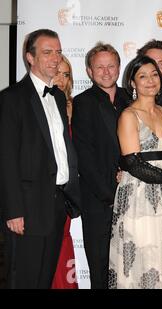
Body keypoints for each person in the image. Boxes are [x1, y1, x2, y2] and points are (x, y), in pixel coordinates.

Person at [0, 29, 81, 288]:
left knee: (44, 279)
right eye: (47, 52)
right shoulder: (12, 98)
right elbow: (6, 158)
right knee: (23, 279)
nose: (55, 58)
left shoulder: (57, 97)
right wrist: (14, 211)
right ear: (30, 58)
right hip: (26, 209)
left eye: (58, 52)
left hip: (57, 205)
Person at [108, 55, 162, 289]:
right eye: (142, 76)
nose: (150, 80)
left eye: (154, 74)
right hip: (138, 196)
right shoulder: (129, 116)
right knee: (142, 258)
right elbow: (135, 165)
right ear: (132, 83)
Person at [71, 42, 130, 289]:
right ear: (89, 71)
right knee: (101, 270)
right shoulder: (83, 102)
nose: (106, 72)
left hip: (133, 201)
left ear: (119, 67)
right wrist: (109, 196)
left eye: (111, 66)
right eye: (99, 67)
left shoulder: (131, 99)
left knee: (129, 269)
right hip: (100, 202)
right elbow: (84, 156)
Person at [51, 54, 78, 289]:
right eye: (57, 72)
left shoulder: (76, 107)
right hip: (45, 193)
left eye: (66, 74)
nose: (61, 79)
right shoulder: (40, 106)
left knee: (63, 240)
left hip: (68, 191)